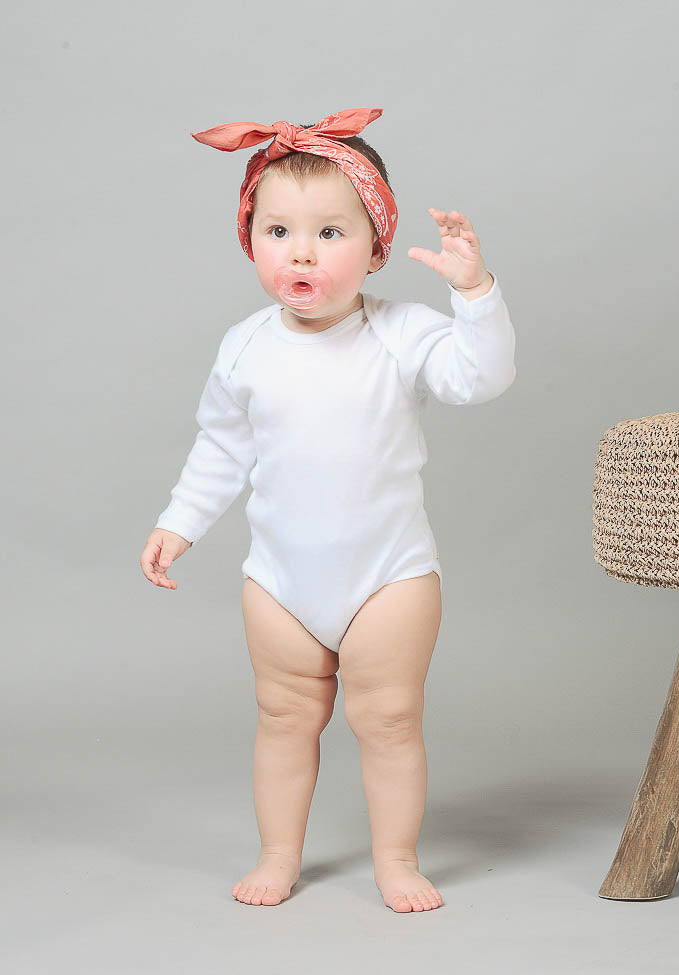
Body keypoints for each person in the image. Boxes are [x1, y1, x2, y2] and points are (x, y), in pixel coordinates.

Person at [139, 107, 517, 912]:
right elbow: (221, 448)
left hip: (389, 577)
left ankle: (397, 856)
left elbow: (479, 378)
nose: (301, 252)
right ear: (251, 240)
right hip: (280, 581)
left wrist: (475, 294)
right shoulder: (245, 347)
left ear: (377, 248)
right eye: (278, 230)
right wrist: (179, 523)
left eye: (330, 233)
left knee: (388, 719)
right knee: (283, 716)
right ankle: (279, 852)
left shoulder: (402, 334)